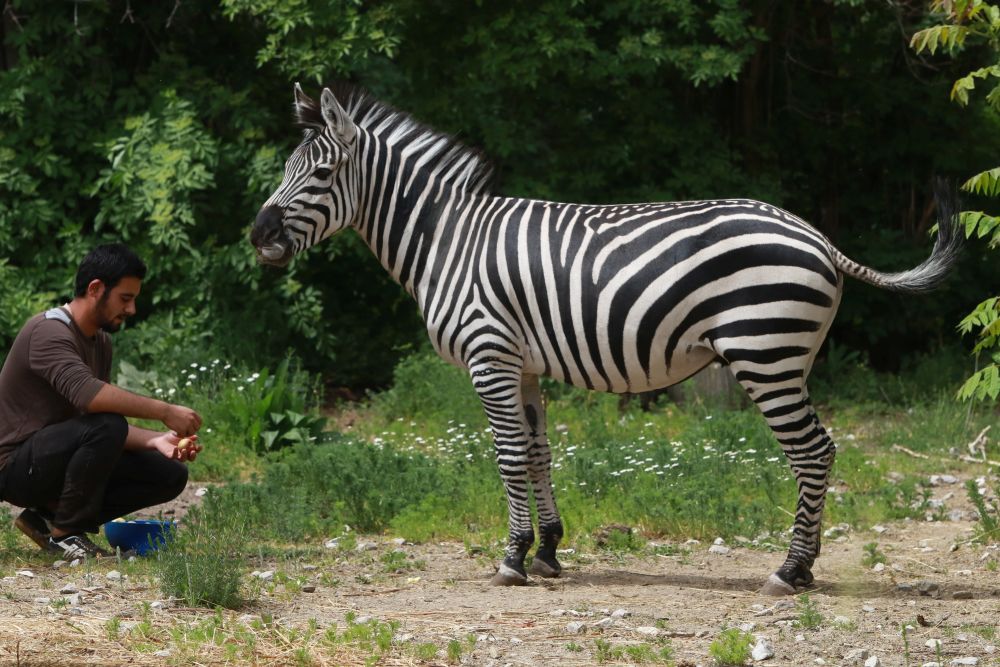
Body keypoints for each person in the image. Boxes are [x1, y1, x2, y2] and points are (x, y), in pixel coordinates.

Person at [0, 243, 203, 559]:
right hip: (13, 468)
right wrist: (164, 411)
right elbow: (91, 399)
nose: (131, 309)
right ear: (95, 288)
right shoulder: (47, 331)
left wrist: (155, 440)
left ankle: (48, 519)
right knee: (109, 423)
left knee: (169, 474)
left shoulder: (100, 342)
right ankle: (66, 535)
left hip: (50, 460)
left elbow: (91, 426)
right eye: (125, 298)